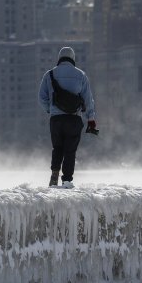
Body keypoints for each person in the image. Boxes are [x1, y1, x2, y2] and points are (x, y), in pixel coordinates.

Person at [38, 47, 97, 188]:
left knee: (57, 147)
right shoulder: (81, 75)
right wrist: (91, 118)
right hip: (73, 119)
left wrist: (50, 110)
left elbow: (42, 98)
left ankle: (54, 173)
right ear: (73, 58)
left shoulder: (49, 74)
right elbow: (88, 99)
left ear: (59, 58)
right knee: (70, 151)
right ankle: (67, 180)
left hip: (56, 120)